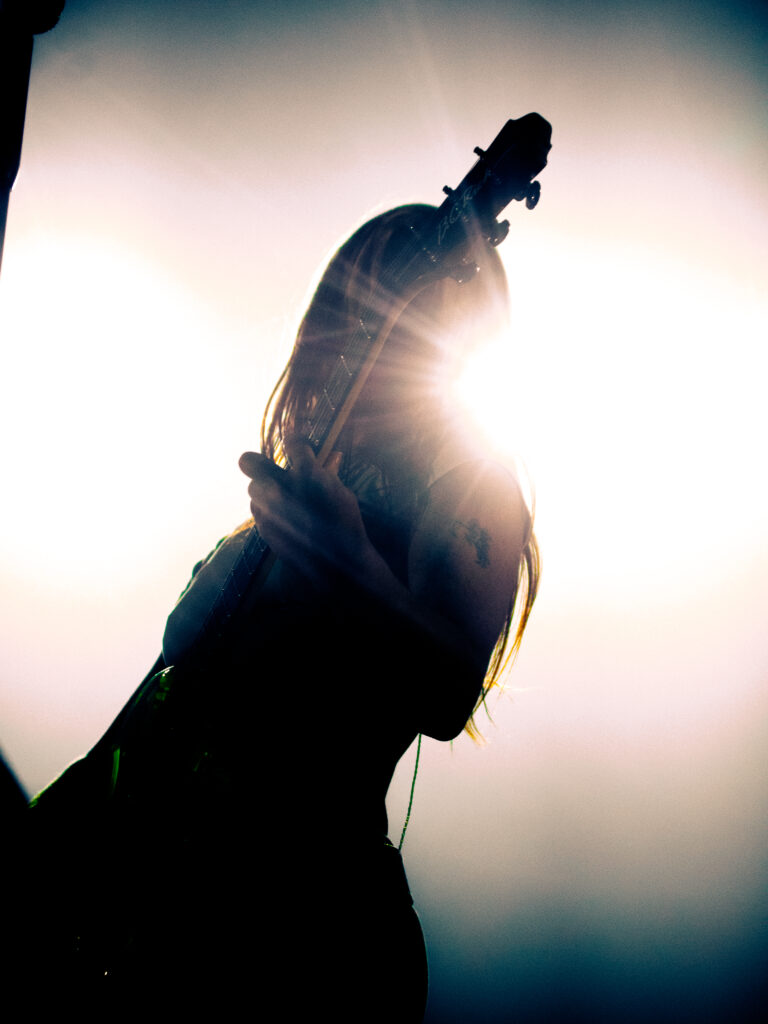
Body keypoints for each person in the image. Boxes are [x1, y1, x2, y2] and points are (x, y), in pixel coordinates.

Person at [22, 204, 539, 1020]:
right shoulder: (299, 494)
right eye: (349, 306)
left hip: (301, 932)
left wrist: (346, 563)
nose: (362, 331)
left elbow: (446, 691)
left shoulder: (472, 481)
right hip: (155, 913)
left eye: (391, 304)